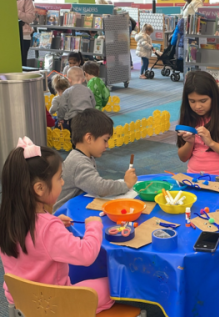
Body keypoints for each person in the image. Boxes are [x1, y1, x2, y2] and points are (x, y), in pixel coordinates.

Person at [0, 136, 114, 313]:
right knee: (112, 285)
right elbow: (86, 255)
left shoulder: (7, 218)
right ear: (39, 188)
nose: (62, 182)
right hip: (53, 305)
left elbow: (35, 241)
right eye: (59, 178)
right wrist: (94, 225)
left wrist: (53, 225)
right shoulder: (48, 228)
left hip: (20, 300)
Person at [53, 109, 137, 211]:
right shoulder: (79, 162)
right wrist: (126, 184)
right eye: (105, 140)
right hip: (65, 214)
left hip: (75, 207)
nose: (107, 145)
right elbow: (99, 187)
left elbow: (93, 183)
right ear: (89, 138)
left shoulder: (84, 156)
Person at [177, 71, 219, 178]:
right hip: (194, 177)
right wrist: (190, 142)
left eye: (203, 101)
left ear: (213, 97)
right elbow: (183, 158)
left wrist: (211, 143)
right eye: (192, 101)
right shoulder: (189, 117)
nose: (197, 106)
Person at [55, 67, 96, 132]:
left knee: (74, 135)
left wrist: (60, 118)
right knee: (86, 133)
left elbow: (62, 106)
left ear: (69, 80)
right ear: (83, 79)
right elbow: (93, 103)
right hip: (88, 117)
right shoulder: (88, 90)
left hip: (74, 118)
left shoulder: (67, 91)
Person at [17, 0, 35, 66]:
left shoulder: (27, 1)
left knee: (21, 63)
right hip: (7, 34)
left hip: (23, 35)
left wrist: (14, 11)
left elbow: (30, 18)